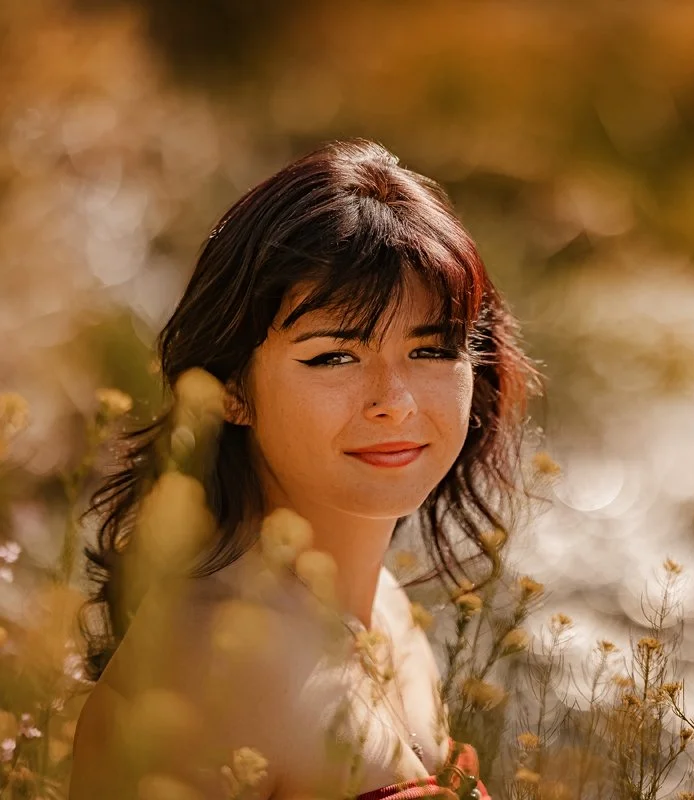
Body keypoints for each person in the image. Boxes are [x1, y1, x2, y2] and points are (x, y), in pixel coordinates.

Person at [68, 138, 542, 799]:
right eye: (335, 358)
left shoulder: (387, 614)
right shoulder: (205, 665)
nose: (396, 403)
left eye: (432, 350)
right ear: (230, 388)